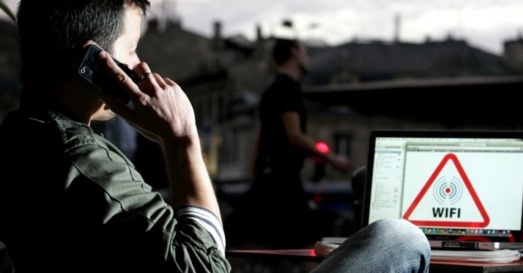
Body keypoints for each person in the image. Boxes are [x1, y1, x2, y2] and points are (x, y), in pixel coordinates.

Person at [0, 1, 430, 272]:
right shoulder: (82, 160)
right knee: (399, 236)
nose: (138, 64)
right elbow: (208, 266)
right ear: (94, 60)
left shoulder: (19, 136)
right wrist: (182, 139)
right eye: (131, 49)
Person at [226, 38, 353, 250]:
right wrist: (334, 159)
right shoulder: (289, 89)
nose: (307, 58)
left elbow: (260, 137)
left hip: (266, 180)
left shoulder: (271, 90)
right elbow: (294, 136)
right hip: (284, 182)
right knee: (307, 247)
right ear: (294, 53)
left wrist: (255, 174)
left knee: (245, 245)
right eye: (304, 52)